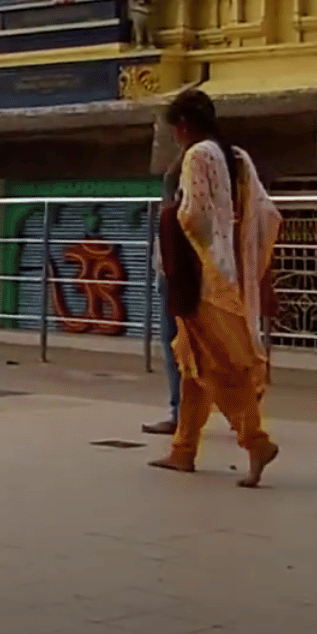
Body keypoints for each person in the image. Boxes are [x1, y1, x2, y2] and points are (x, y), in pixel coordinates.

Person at [150, 89, 281, 487]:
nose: (175, 136)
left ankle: (254, 439)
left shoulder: (197, 156)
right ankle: (182, 449)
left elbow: (195, 217)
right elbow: (266, 212)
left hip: (204, 277)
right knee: (192, 360)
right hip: (231, 273)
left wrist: (171, 218)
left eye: (174, 128)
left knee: (217, 364)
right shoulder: (237, 157)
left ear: (183, 125)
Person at [142, 154, 183, 436]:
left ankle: (179, 413)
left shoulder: (175, 212)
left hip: (176, 278)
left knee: (175, 344)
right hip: (174, 276)